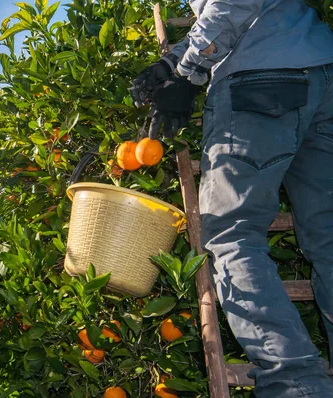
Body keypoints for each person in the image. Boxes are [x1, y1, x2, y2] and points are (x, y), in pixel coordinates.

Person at [130, 1, 333, 397]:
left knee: (231, 234)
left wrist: (188, 76)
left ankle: (296, 385)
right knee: (329, 236)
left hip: (258, 81)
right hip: (322, 77)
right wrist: (170, 64)